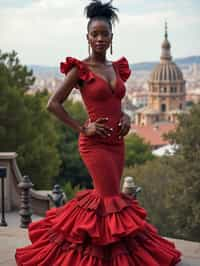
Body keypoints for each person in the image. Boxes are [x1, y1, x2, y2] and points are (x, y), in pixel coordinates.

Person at [15, 0, 181, 265]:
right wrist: (83, 127)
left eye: (105, 34)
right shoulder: (79, 69)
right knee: (108, 199)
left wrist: (126, 116)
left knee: (112, 198)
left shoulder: (117, 68)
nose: (100, 38)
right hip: (94, 144)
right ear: (88, 38)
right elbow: (52, 104)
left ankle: (107, 254)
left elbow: (117, 104)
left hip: (117, 143)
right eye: (95, 34)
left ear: (112, 37)